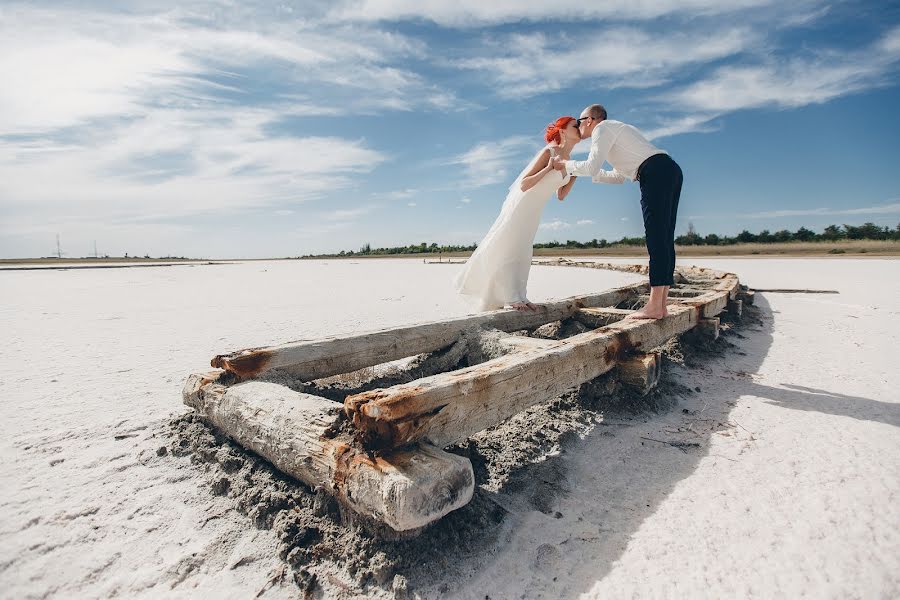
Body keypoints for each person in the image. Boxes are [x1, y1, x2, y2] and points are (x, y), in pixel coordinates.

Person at [552, 104, 683, 319]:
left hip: (655, 173)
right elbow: (618, 177)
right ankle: (661, 305)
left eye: (579, 121)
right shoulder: (615, 132)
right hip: (667, 170)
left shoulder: (602, 129)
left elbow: (592, 166)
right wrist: (581, 171)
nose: (578, 125)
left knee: (657, 237)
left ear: (590, 120)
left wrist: (567, 165)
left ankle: (654, 306)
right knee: (665, 237)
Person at [454, 117, 580, 311]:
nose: (579, 128)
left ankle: (519, 294)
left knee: (523, 249)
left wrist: (575, 174)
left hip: (535, 210)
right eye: (575, 125)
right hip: (522, 205)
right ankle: (512, 296)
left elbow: (561, 195)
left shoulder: (571, 162)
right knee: (510, 246)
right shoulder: (550, 152)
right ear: (563, 130)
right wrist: (548, 168)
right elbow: (524, 184)